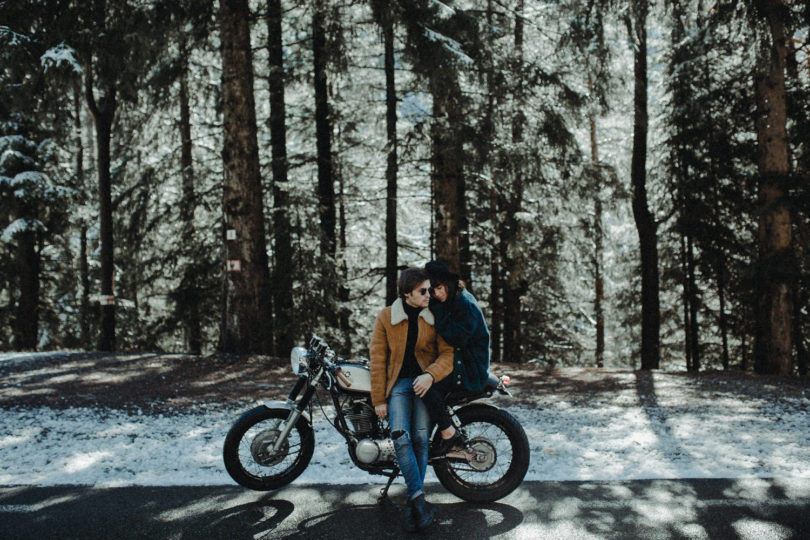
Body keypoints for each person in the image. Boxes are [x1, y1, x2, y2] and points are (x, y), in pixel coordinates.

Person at [369, 267, 454, 531]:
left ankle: (413, 503)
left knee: (419, 437)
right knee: (399, 435)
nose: (429, 294)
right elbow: (378, 359)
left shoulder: (434, 316)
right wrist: (379, 399)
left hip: (425, 387)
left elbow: (447, 354)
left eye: (430, 289)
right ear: (407, 294)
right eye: (423, 291)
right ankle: (417, 499)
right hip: (398, 386)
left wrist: (430, 375)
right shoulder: (386, 317)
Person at [420, 260, 491, 455]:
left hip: (469, 366)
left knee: (425, 387)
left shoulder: (464, 304)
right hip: (460, 358)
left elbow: (455, 337)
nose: (437, 294)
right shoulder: (452, 299)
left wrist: (438, 310)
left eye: (439, 288)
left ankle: (448, 434)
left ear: (448, 284)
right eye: (432, 291)